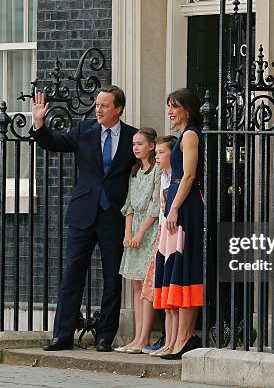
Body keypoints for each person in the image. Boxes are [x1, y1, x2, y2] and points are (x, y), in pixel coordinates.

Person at [30, 85, 138, 352]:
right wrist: (39, 123)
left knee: (113, 278)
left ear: (118, 109)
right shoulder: (83, 130)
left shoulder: (131, 137)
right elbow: (52, 143)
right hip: (82, 213)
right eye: (97, 104)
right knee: (72, 275)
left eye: (104, 105)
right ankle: (62, 335)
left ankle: (104, 337)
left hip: (114, 215)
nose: (98, 109)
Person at [154, 88, 205, 360]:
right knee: (174, 266)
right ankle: (175, 338)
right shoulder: (185, 135)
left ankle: (186, 337)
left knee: (185, 267)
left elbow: (189, 176)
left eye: (174, 106)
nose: (171, 112)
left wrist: (173, 208)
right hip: (176, 202)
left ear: (187, 108)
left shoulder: (191, 135)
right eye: (169, 106)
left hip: (185, 206)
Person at [113, 128, 161, 353]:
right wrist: (127, 233)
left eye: (140, 144)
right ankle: (135, 337)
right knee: (135, 284)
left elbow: (154, 206)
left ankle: (144, 338)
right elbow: (129, 204)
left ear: (152, 146)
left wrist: (140, 233)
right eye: (133, 144)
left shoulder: (157, 171)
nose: (135, 148)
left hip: (149, 232)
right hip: (133, 232)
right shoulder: (134, 172)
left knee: (146, 287)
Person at [142, 135, 177, 356]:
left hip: (173, 236)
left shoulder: (176, 177)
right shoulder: (162, 176)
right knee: (161, 290)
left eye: (161, 153)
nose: (157, 158)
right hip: (162, 236)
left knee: (171, 290)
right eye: (156, 154)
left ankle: (173, 339)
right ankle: (167, 339)